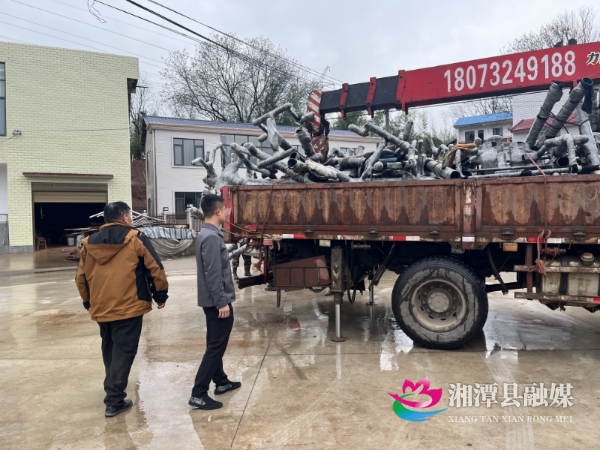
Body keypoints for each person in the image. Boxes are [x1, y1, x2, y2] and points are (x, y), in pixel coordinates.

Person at [76, 201, 168, 417]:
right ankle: (114, 399)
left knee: (110, 347)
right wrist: (160, 294)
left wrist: (88, 301)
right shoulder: (136, 238)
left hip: (101, 305)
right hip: (129, 304)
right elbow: (155, 268)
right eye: (130, 216)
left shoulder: (88, 243)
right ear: (125, 217)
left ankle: (113, 385)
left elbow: (81, 277)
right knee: (124, 350)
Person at [190, 194, 241, 410]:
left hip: (212, 301)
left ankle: (221, 381)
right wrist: (221, 303)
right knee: (215, 347)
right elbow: (213, 274)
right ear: (218, 211)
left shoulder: (208, 234)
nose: (228, 212)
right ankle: (198, 394)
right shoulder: (211, 237)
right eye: (226, 209)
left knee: (214, 343)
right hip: (216, 302)